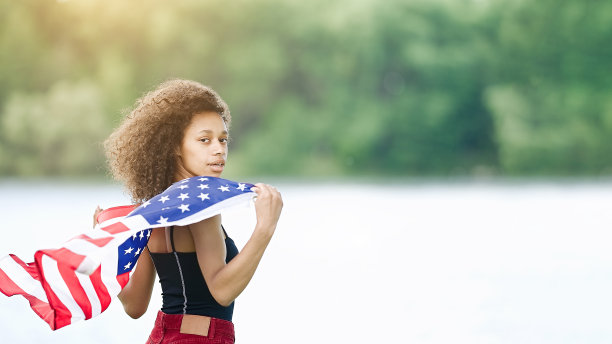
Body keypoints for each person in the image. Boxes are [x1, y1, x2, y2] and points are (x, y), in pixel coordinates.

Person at [98, 79, 283, 343]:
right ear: (175, 145)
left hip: (160, 336)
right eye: (204, 140)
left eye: (223, 139)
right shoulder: (200, 206)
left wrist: (106, 249)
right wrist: (265, 228)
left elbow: (134, 306)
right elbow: (222, 290)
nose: (218, 149)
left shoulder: (153, 209)